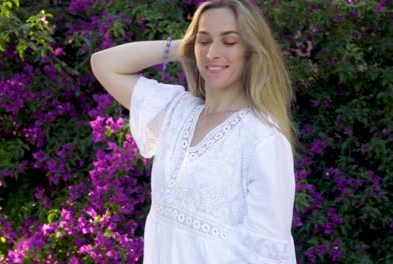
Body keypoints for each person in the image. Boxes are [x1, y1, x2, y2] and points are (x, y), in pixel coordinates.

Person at [90, 0, 297, 263]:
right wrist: (183, 47)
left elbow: (268, 254)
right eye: (204, 41)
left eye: (229, 42)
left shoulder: (263, 139)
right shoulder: (176, 112)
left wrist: (201, 42)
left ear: (251, 50)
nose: (213, 53)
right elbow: (104, 63)